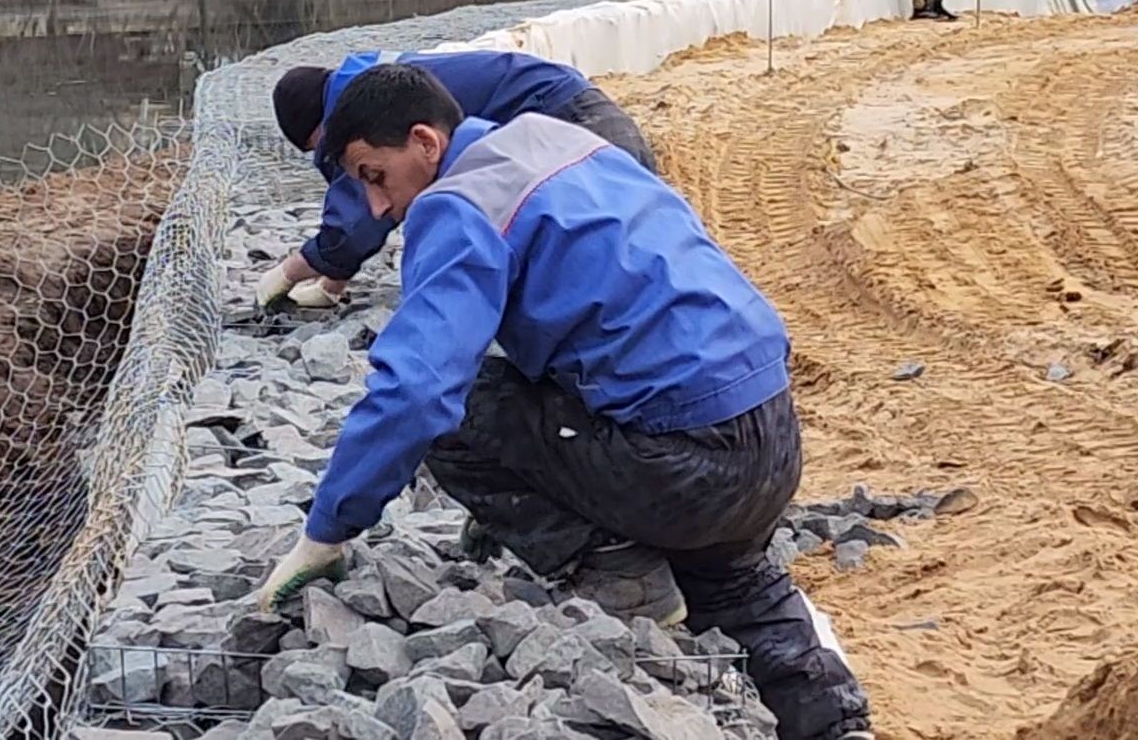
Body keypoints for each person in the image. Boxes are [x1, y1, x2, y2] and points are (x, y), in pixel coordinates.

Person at [254, 64, 874, 740]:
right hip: (771, 434)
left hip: (680, 461)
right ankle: (835, 724)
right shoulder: (557, 141)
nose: (376, 207)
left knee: (461, 408)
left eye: (374, 176)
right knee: (729, 576)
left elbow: (417, 390)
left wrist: (327, 532)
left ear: (426, 142)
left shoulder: (458, 205)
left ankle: (616, 567)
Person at [254, 49, 655, 310]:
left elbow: (360, 216)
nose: (337, 165)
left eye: (325, 150)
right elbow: (378, 199)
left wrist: (293, 269)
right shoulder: (377, 78)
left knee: (609, 267)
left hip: (577, 124)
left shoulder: (368, 109)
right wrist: (333, 282)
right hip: (581, 114)